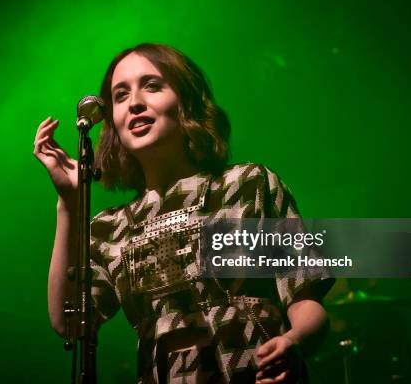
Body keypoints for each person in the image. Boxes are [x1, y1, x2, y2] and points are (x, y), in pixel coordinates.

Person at [34, 43, 334, 384]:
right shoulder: (110, 228)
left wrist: (294, 342)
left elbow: (306, 302)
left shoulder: (247, 185)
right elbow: (69, 322)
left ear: (187, 102)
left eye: (152, 86)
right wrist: (69, 203)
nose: (134, 103)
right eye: (120, 95)